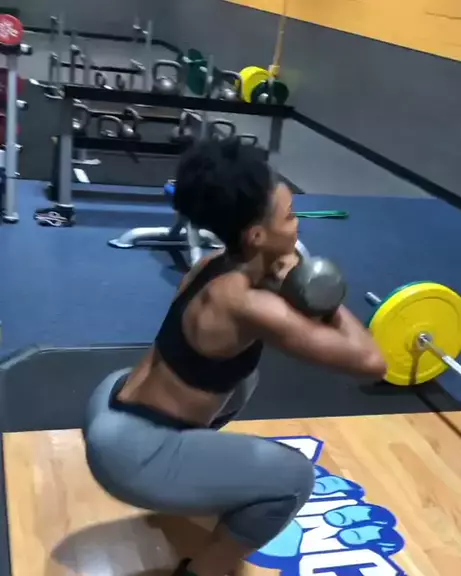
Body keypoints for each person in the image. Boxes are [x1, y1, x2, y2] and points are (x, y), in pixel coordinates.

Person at [83, 138, 386, 576]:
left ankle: (194, 478)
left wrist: (279, 272)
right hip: (132, 455)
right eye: (291, 215)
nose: (298, 224)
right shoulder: (248, 305)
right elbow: (372, 360)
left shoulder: (209, 265)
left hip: (110, 403)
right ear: (257, 235)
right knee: (293, 480)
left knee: (242, 380)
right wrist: (327, 298)